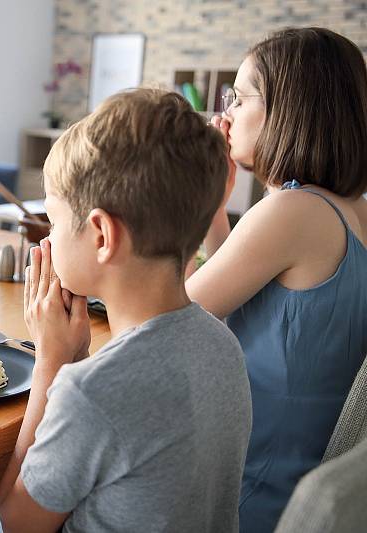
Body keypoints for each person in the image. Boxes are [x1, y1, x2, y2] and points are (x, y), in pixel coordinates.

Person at [0, 88, 252, 532]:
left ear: (101, 235)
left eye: (54, 221)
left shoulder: (90, 392)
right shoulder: (223, 345)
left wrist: (51, 364)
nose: (50, 240)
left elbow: (18, 522)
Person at [186, 27, 367, 532]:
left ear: (289, 109)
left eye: (239, 98)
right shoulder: (347, 210)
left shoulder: (294, 210)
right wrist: (217, 210)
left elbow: (170, 317)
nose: (225, 115)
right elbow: (241, 303)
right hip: (304, 472)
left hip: (254, 492)